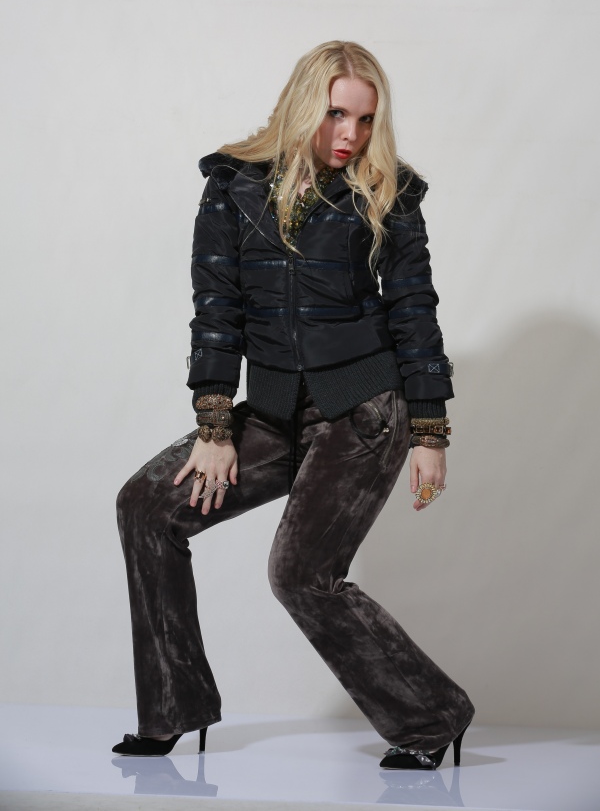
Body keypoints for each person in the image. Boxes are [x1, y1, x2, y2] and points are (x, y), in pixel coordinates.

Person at [112, 41, 475, 769]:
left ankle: (432, 715)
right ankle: (174, 707)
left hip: (365, 412)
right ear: (304, 103)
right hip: (276, 411)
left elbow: (414, 313)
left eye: (366, 120)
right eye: (337, 114)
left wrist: (429, 431)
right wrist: (216, 425)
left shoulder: (389, 193)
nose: (351, 135)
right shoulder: (232, 184)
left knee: (300, 574)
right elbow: (217, 310)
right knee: (147, 507)